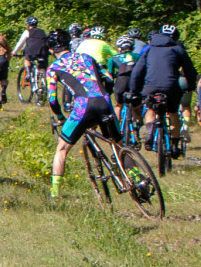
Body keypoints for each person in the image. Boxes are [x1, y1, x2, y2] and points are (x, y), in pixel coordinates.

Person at [45, 29, 117, 197]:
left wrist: (61, 117)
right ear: (69, 44)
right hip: (104, 101)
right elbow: (108, 78)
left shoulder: (54, 67)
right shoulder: (87, 58)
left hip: (83, 106)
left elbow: (53, 99)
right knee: (117, 143)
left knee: (62, 149)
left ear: (50, 51)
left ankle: (55, 194)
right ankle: (135, 177)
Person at [130, 24, 197, 154]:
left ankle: (149, 133)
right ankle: (175, 145)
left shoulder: (149, 49)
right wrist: (190, 86)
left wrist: (135, 91)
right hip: (170, 86)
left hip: (150, 86)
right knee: (173, 113)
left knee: (150, 108)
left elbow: (137, 72)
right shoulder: (178, 49)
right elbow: (190, 71)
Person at [10, 17, 50, 96]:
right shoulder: (43, 32)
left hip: (31, 51)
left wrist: (14, 52)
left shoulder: (27, 32)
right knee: (42, 66)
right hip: (43, 52)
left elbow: (20, 43)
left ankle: (28, 74)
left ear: (28, 24)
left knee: (27, 59)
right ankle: (43, 81)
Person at [108, 36, 141, 117]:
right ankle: (137, 126)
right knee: (136, 107)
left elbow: (110, 75)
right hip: (135, 82)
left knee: (119, 105)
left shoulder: (113, 59)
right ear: (132, 47)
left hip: (121, 82)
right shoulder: (139, 56)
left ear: (119, 48)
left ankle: (117, 127)